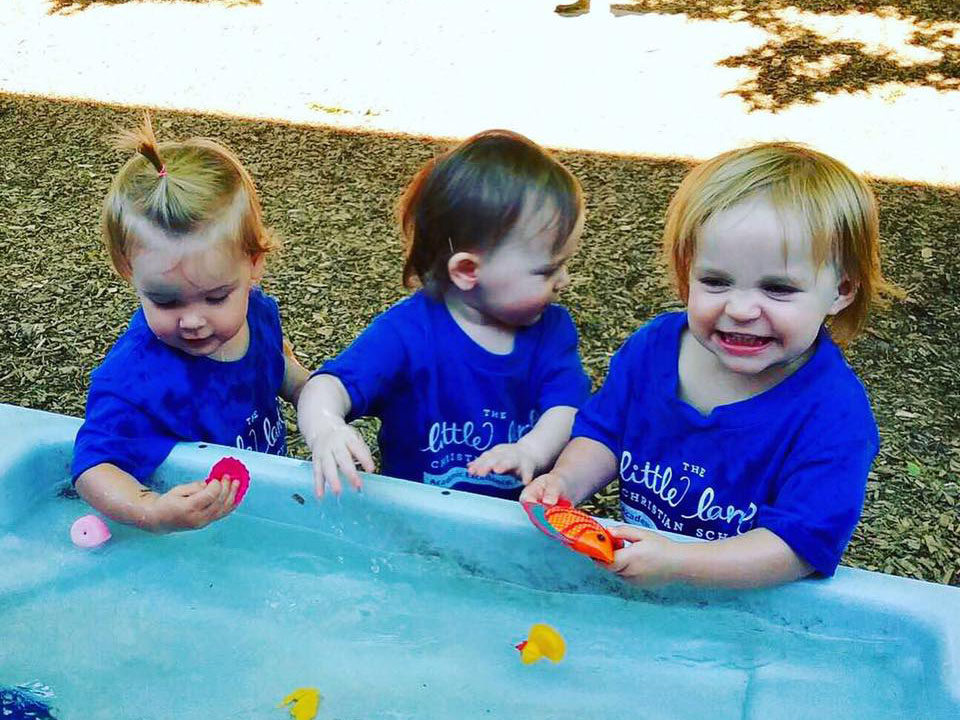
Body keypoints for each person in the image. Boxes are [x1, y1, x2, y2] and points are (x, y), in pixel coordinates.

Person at [522, 142, 897, 588]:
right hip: (643, 583)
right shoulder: (654, 349)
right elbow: (605, 433)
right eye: (715, 281)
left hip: (746, 614)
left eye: (777, 288)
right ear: (687, 274)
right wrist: (565, 482)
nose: (739, 309)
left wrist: (679, 562)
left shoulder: (833, 416)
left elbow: (796, 546)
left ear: (841, 291)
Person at [298, 129, 590, 500]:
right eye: (548, 271)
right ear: (468, 270)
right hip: (416, 528)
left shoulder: (551, 332)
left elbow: (566, 409)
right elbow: (327, 386)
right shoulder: (407, 335)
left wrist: (531, 450)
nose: (564, 281)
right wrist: (326, 428)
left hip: (515, 525)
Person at [71, 114, 309, 532]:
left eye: (217, 297)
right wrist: (150, 509)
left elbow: (279, 366)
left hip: (261, 508)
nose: (194, 321)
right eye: (165, 301)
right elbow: (93, 466)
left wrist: (314, 398)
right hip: (195, 533)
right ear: (129, 271)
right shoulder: (137, 379)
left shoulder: (258, 312)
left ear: (254, 264)